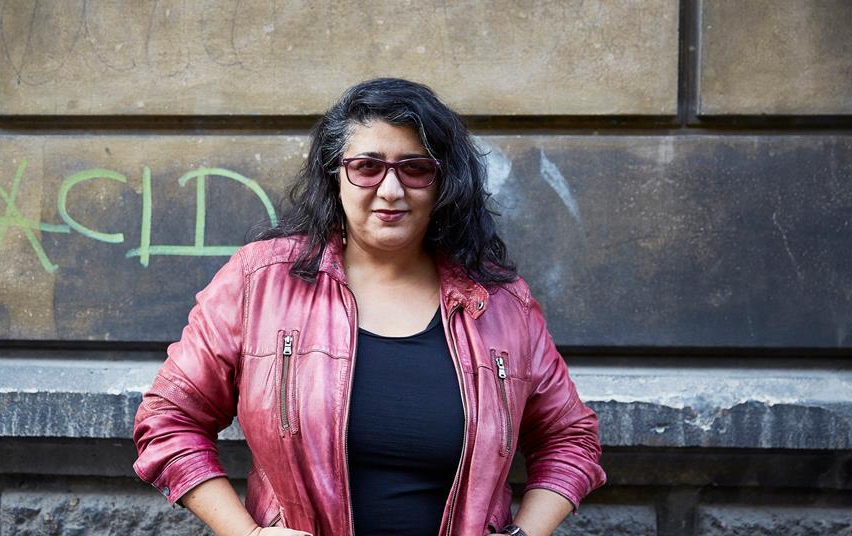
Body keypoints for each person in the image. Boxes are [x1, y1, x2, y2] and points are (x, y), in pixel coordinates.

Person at [133, 78, 606, 536]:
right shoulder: (262, 282)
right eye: (367, 167)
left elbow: (570, 439)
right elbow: (169, 421)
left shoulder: (501, 303)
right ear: (335, 174)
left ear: (443, 181)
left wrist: (522, 533)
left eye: (415, 168)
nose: (391, 190)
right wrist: (246, 534)